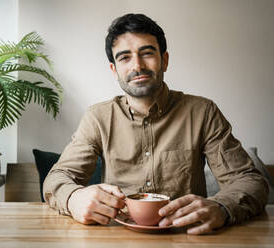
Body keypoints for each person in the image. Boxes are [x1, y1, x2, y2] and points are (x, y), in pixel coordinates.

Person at [43, 13, 268, 235]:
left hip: (187, 237)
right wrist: (73, 198)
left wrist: (222, 207)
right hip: (117, 238)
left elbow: (249, 181)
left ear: (165, 60)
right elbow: (58, 178)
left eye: (147, 53)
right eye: (124, 58)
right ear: (114, 70)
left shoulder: (203, 112)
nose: (137, 66)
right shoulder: (98, 117)